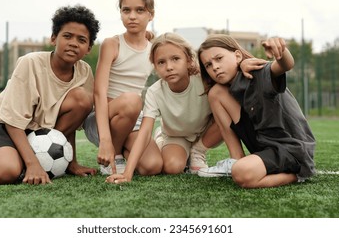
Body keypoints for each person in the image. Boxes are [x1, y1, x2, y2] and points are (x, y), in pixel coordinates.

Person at [0, 5, 101, 185]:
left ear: (88, 48)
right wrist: (33, 164)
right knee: (7, 173)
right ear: (54, 38)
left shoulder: (84, 71)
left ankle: (20, 154)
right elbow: (12, 120)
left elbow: (72, 120)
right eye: (67, 36)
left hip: (37, 128)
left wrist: (72, 162)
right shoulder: (30, 63)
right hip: (2, 122)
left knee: (83, 99)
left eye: (81, 39)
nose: (73, 43)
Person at [105, 33, 247, 184]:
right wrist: (127, 174)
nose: (169, 67)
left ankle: (197, 151)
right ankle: (162, 140)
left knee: (225, 104)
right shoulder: (155, 92)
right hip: (176, 135)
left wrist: (244, 64)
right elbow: (145, 132)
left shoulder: (204, 80)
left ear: (189, 60)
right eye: (161, 62)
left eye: (175, 59)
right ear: (155, 67)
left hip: (206, 132)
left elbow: (231, 76)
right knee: (173, 167)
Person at [197, 34, 316, 188]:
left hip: (290, 149)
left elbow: (285, 65)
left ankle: (296, 176)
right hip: (263, 145)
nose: (215, 67)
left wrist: (280, 51)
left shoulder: (257, 72)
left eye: (219, 58)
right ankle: (236, 159)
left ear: (237, 55)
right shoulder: (232, 85)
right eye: (208, 65)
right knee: (215, 93)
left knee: (241, 173)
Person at [83, 0, 163, 176]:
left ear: (150, 15)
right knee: (132, 100)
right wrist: (105, 140)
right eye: (126, 10)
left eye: (139, 10)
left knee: (152, 166)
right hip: (103, 120)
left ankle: (127, 149)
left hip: (133, 120)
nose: (132, 16)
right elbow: (99, 92)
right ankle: (115, 153)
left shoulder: (154, 47)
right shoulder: (112, 44)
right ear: (120, 13)